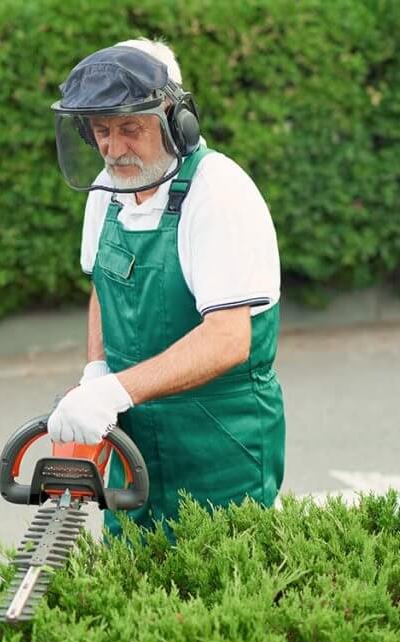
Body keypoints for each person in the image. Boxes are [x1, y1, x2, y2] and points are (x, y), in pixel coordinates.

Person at [46, 38, 286, 536]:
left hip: (220, 449)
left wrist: (115, 390)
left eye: (130, 128)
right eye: (101, 132)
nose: (114, 148)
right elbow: (103, 285)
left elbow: (227, 339)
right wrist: (97, 371)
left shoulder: (218, 194)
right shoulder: (108, 191)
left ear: (176, 119)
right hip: (134, 455)